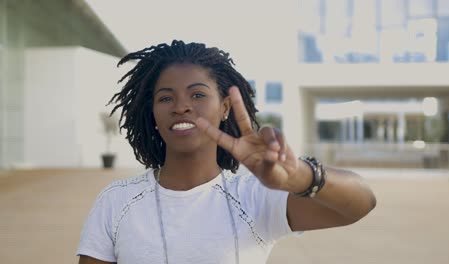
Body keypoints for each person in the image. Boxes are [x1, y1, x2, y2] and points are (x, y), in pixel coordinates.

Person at [76, 40, 376, 264]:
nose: (181, 106)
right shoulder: (117, 202)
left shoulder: (254, 197)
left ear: (224, 108)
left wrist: (299, 175)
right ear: (152, 112)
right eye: (166, 98)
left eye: (197, 94)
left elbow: (361, 204)